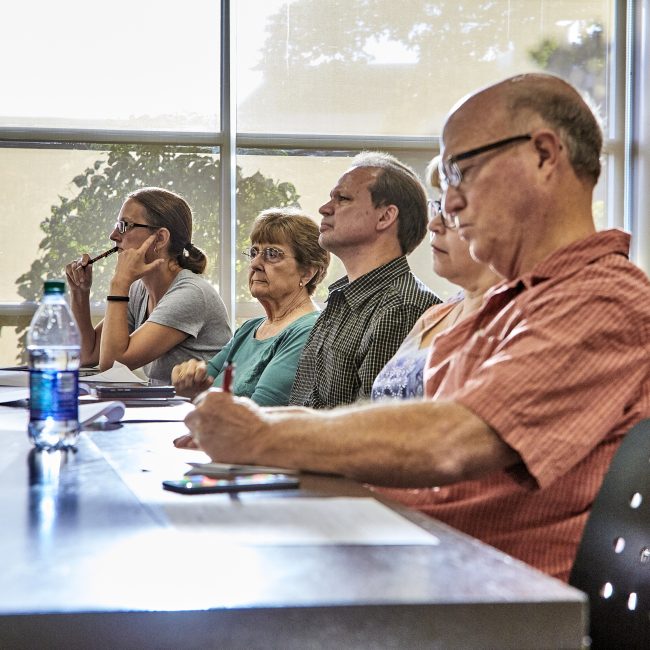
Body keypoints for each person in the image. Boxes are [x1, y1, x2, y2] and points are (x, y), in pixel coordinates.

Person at [180, 73, 650, 582]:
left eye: (459, 171)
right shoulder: (504, 304)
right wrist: (254, 426)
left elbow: (450, 440)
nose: (448, 204)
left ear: (543, 154)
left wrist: (259, 434)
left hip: (479, 595)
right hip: (418, 557)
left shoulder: (599, 298)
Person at [288, 151, 440, 407]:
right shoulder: (342, 299)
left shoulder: (402, 308)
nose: (324, 208)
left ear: (385, 217)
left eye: (343, 198)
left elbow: (370, 430)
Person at [65, 187, 231, 383]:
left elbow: (112, 364)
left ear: (160, 238)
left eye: (124, 225)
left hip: (199, 411)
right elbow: (87, 354)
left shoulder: (191, 294)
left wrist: (120, 283)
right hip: (168, 408)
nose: (113, 235)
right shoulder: (139, 290)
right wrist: (79, 292)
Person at [371, 156, 501, 400]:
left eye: (453, 212)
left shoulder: (515, 313)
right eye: (438, 207)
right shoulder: (434, 315)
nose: (433, 224)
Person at [171, 208, 329, 406]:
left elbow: (258, 413)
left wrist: (197, 396)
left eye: (272, 254)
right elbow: (200, 389)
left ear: (307, 273)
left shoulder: (309, 331)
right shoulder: (248, 329)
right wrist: (189, 381)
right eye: (254, 252)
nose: (255, 263)